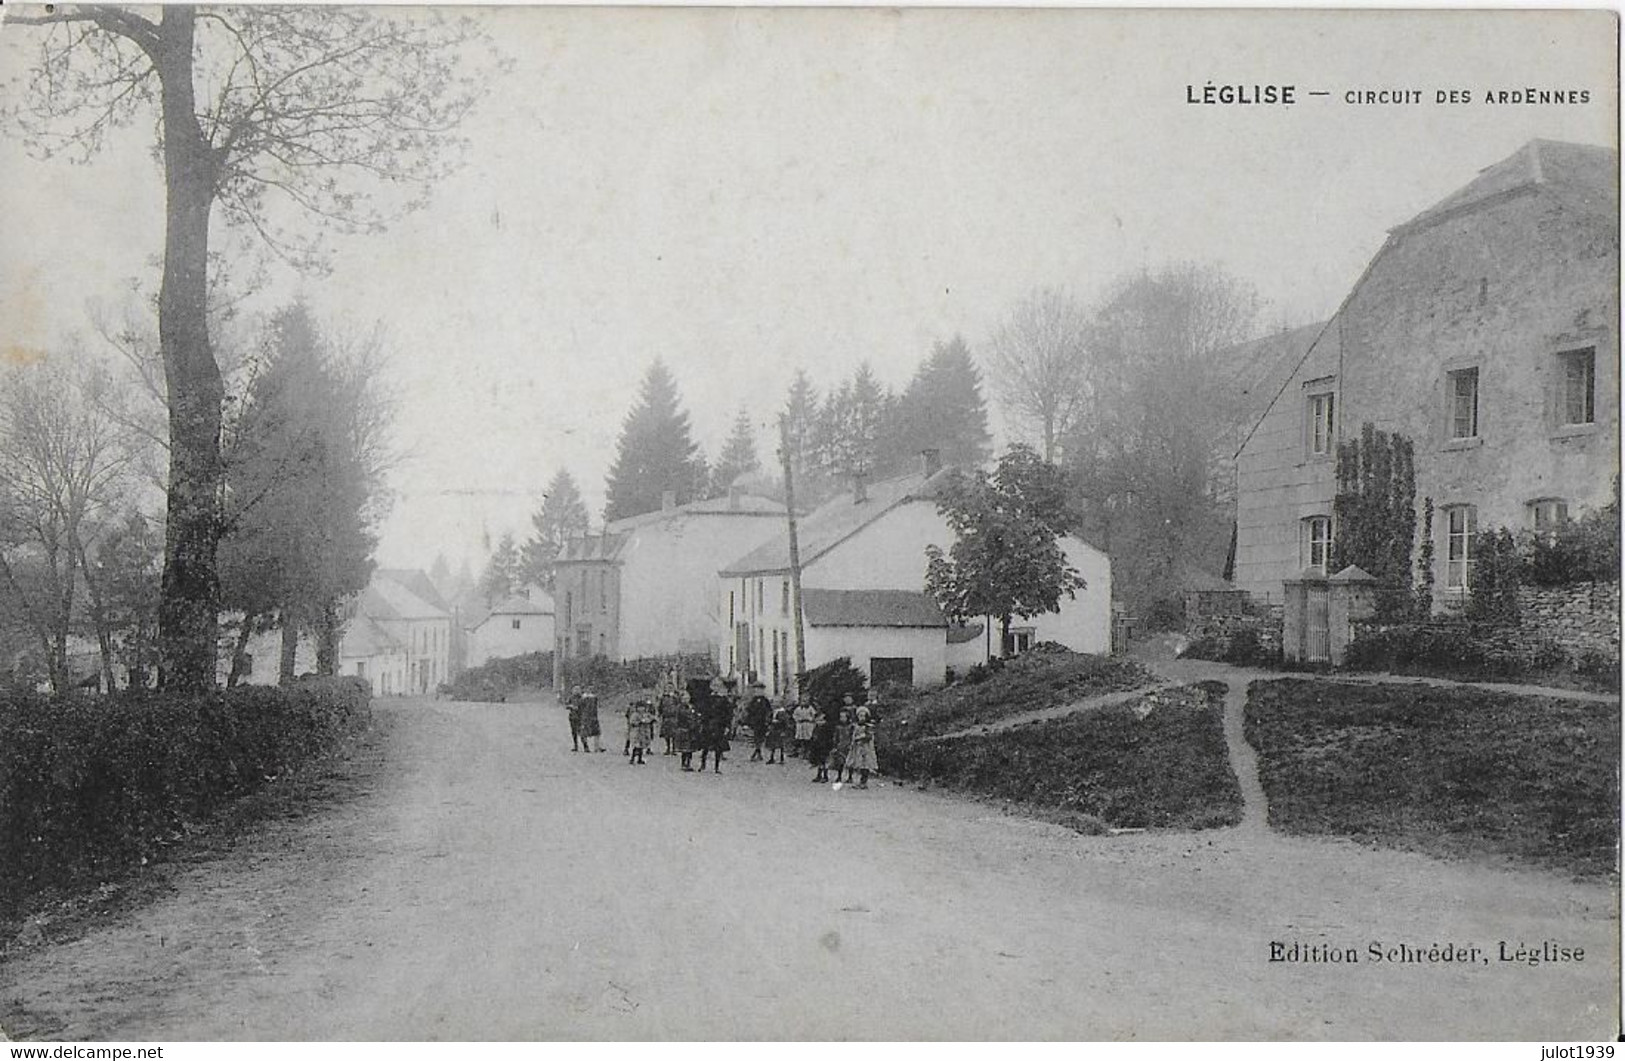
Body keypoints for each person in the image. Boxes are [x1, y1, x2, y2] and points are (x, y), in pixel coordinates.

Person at [697, 688, 731, 774]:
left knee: (718, 748)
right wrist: (702, 723)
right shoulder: (707, 699)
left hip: (719, 726)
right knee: (705, 746)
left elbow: (728, 714)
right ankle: (703, 764)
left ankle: (716, 767)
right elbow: (703, 712)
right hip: (708, 725)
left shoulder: (724, 701)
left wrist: (727, 726)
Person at [846, 704, 878, 788]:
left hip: (866, 748)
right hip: (857, 748)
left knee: (865, 764)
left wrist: (860, 738)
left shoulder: (868, 726)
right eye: (860, 716)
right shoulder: (855, 726)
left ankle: (864, 782)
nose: (862, 718)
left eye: (864, 716)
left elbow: (869, 736)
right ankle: (859, 781)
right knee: (858, 763)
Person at [807, 703, 834, 783]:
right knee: (819, 761)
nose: (819, 722)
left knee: (824, 761)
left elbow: (829, 738)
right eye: (818, 720)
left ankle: (825, 776)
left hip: (824, 746)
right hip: (817, 746)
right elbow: (813, 736)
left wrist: (829, 746)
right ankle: (819, 775)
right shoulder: (816, 728)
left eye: (822, 720)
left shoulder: (827, 729)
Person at [745, 683, 771, 762]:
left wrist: (768, 720)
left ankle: (757, 751)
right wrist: (749, 720)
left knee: (761, 737)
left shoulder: (765, 700)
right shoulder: (753, 700)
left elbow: (769, 710)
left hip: (763, 721)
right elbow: (749, 710)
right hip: (755, 721)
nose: (758, 691)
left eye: (760, 689)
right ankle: (757, 751)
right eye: (757, 689)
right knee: (756, 736)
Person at [628, 698, 656, 765]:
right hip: (637, 732)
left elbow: (651, 718)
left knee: (642, 746)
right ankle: (632, 758)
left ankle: (640, 758)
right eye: (640, 707)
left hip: (643, 732)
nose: (641, 709)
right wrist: (638, 722)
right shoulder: (635, 714)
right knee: (637, 746)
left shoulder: (645, 714)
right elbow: (632, 722)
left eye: (643, 707)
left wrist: (651, 720)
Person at [766, 700, 791, 764]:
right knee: (772, 744)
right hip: (773, 729)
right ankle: (772, 758)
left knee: (781, 745)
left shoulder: (782, 712)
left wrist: (783, 730)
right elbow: (769, 719)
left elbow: (785, 722)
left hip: (779, 729)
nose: (774, 705)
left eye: (775, 703)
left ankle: (781, 758)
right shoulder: (773, 712)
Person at [579, 688, 604, 752]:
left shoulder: (588, 698)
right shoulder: (590, 698)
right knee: (593, 732)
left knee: (594, 733)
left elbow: (580, 708)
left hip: (588, 717)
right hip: (589, 717)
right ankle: (592, 747)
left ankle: (594, 747)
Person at [565, 685, 584, 752]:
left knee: (581, 732)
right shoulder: (571, 697)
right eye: (575, 690)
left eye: (577, 690)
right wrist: (571, 706)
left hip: (580, 717)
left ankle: (585, 746)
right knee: (574, 732)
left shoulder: (582, 698)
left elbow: (585, 707)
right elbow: (566, 705)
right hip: (572, 717)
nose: (576, 691)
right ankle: (576, 746)